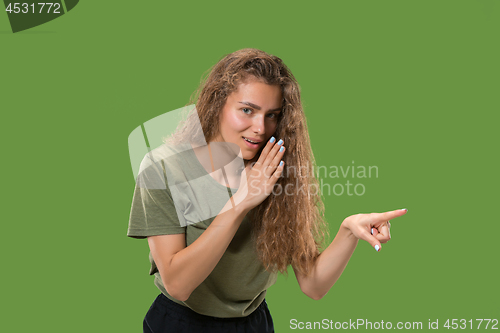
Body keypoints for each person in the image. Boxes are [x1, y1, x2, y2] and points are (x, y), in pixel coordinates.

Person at [127, 48, 407, 333]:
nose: (261, 128)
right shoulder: (163, 167)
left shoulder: (277, 168)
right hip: (181, 322)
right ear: (217, 103)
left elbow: (313, 284)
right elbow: (178, 284)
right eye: (247, 110)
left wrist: (348, 230)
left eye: (272, 115)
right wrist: (241, 201)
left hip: (254, 323)